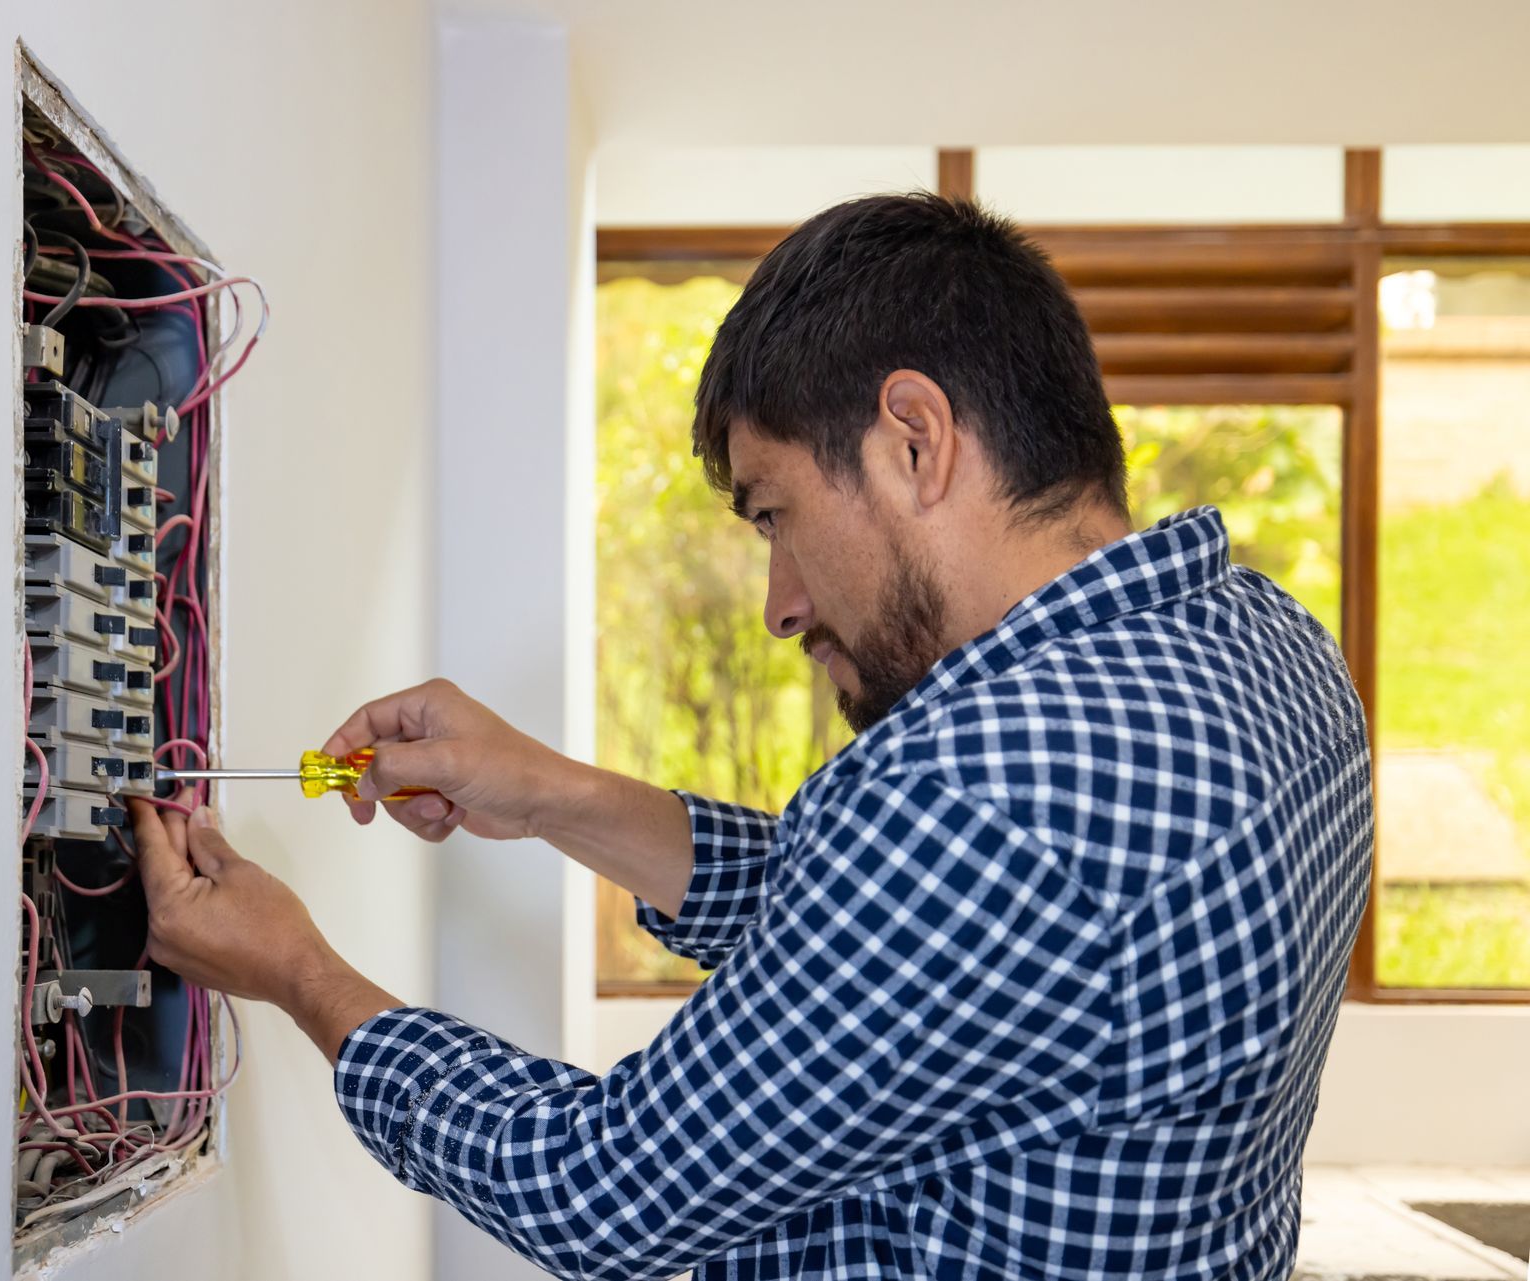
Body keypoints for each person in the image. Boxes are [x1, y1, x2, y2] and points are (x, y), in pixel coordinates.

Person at [126, 193, 1373, 1280]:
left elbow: (598, 1191)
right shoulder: (1264, 644)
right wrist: (555, 795)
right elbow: (897, 942)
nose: (779, 602)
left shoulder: (977, 795)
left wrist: (300, 971)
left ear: (914, 439)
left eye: (774, 511)